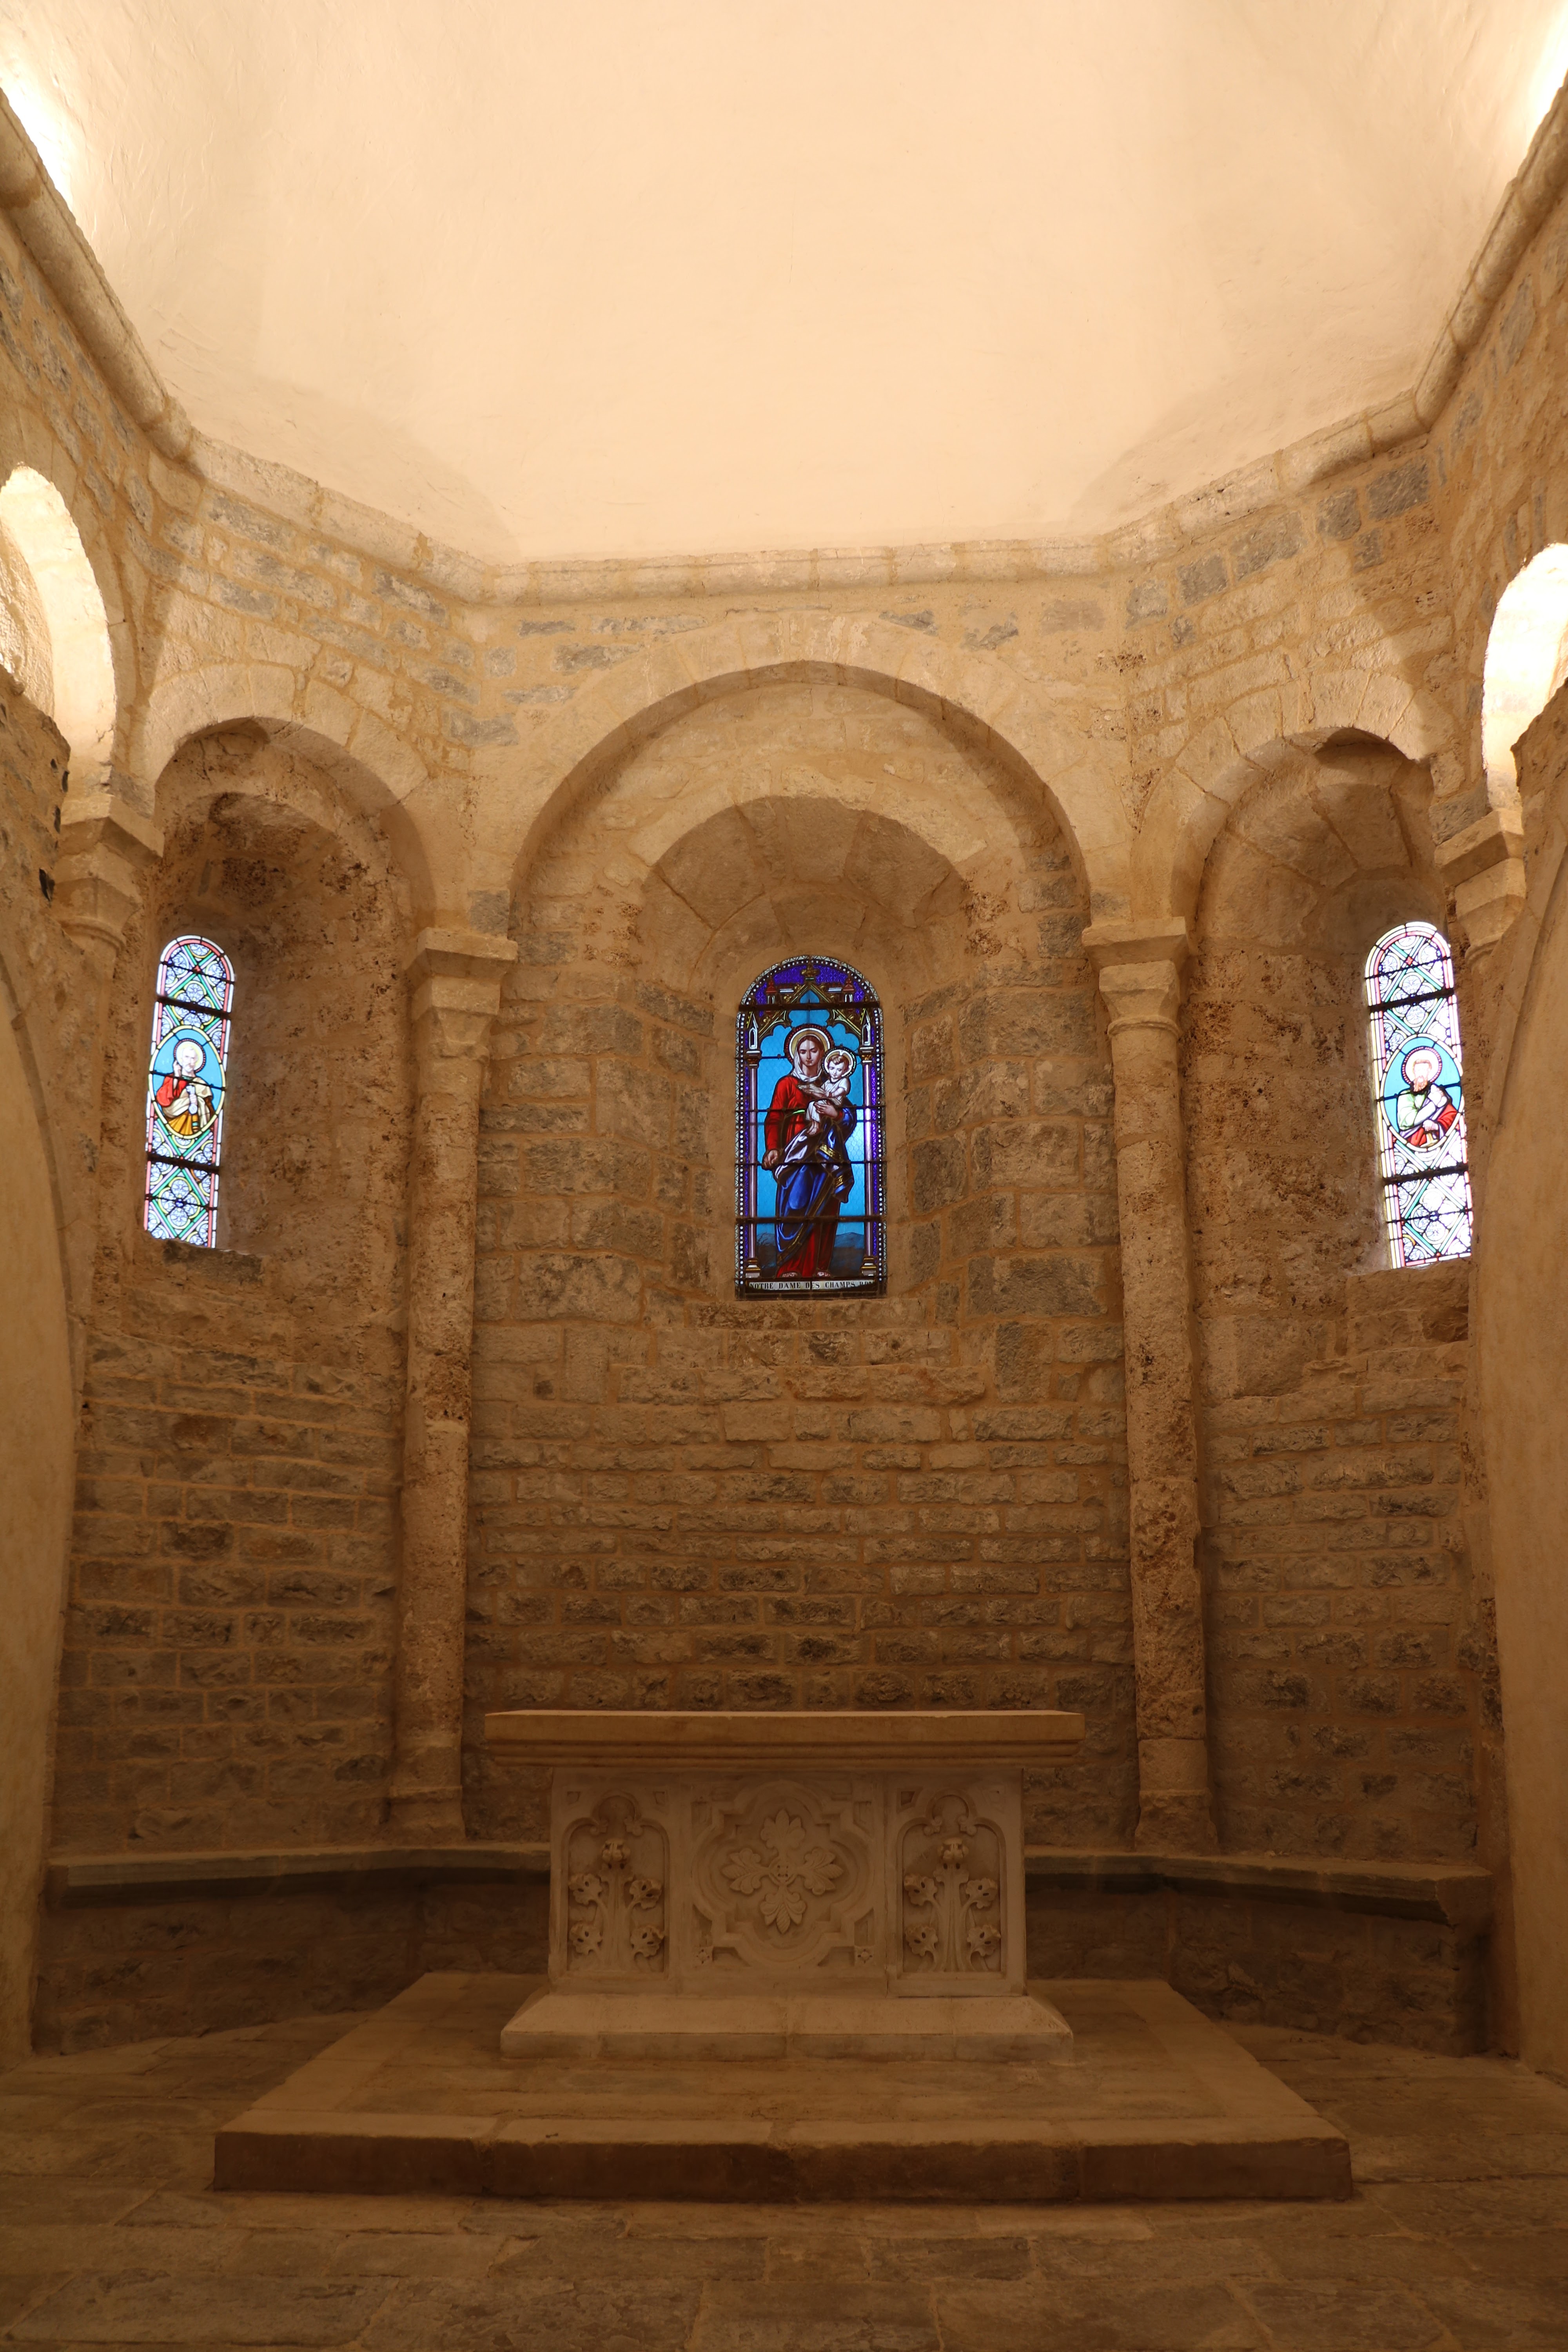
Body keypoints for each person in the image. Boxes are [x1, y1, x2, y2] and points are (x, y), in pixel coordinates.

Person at [762, 1027, 857, 1279]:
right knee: (794, 1207)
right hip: (795, 1156)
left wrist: (836, 1114)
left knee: (825, 1209)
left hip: (827, 1157)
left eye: (813, 1051)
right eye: (803, 1051)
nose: (808, 1056)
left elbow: (849, 1117)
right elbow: (774, 1118)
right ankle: (790, 1267)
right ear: (796, 1054)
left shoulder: (832, 1085)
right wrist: (772, 1147)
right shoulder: (786, 1084)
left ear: (823, 1054)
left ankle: (820, 1267)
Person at [1392, 1044, 1458, 1150]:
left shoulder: (1438, 1092)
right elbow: (1409, 1121)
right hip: (1411, 1143)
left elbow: (1451, 1116)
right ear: (1413, 1072)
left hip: (1440, 1140)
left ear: (1430, 1072)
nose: (1421, 1074)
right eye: (1418, 1071)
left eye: (1424, 1070)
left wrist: (1436, 1126)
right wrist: (1434, 1104)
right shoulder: (1405, 1096)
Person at [154, 1037, 217, 1139]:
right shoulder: (171, 1079)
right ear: (181, 1059)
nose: (189, 1062)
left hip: (195, 1125)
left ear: (197, 1062)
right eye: (187, 1057)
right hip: (172, 1124)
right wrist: (176, 1077)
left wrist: (197, 1102)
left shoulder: (202, 1084)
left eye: (193, 1059)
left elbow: (210, 1111)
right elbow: (164, 1101)